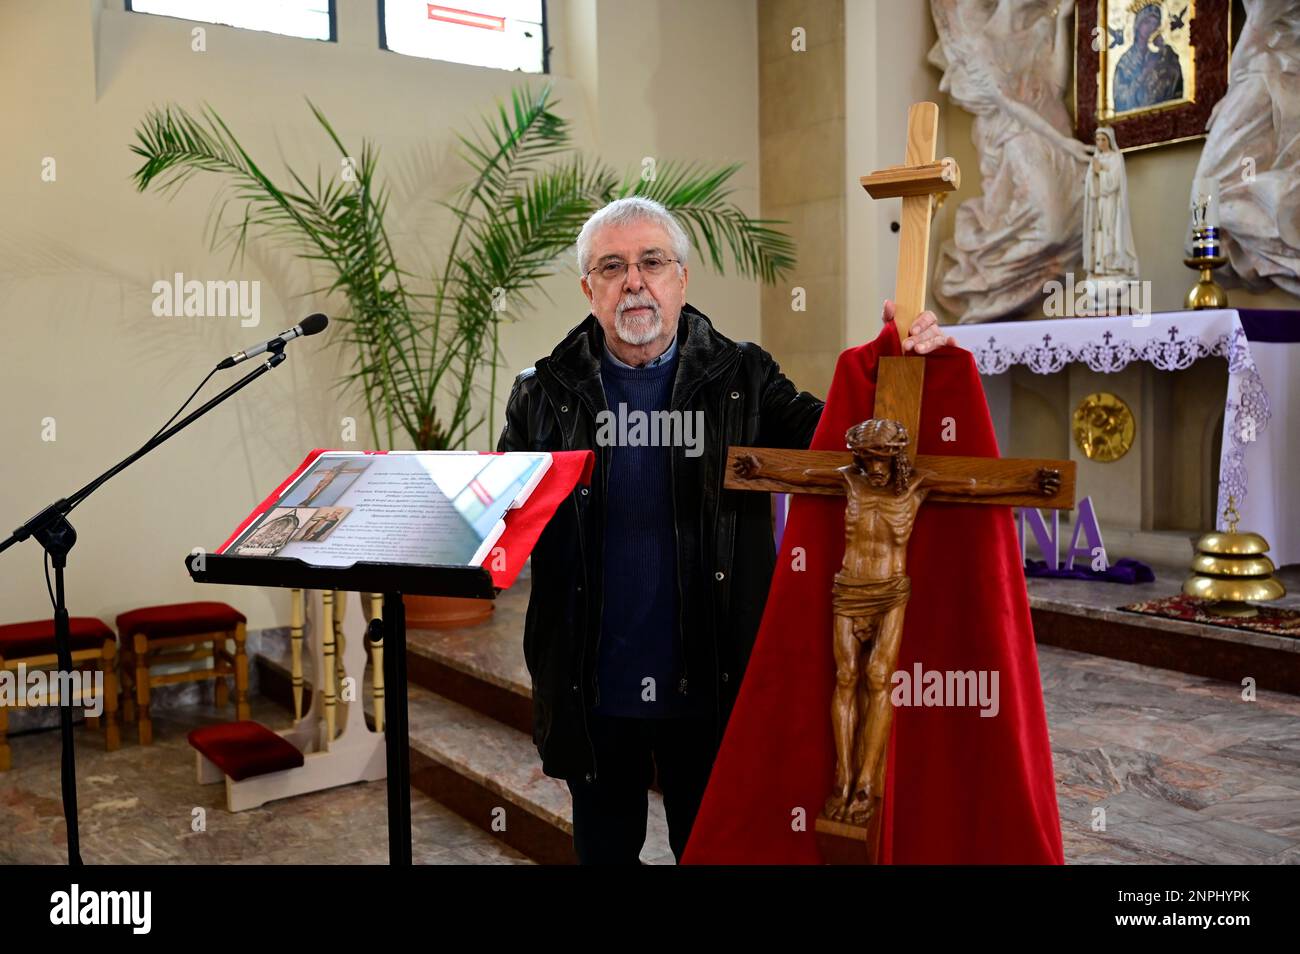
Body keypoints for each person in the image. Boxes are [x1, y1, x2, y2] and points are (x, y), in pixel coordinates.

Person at [496, 196, 952, 864]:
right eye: (613, 267)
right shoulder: (542, 391)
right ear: (588, 288)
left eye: (652, 262)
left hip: (710, 679)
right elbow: (507, 515)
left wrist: (905, 365)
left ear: (681, 277)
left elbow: (846, 441)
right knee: (603, 856)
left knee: (715, 854)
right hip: (592, 687)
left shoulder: (741, 376)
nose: (635, 281)